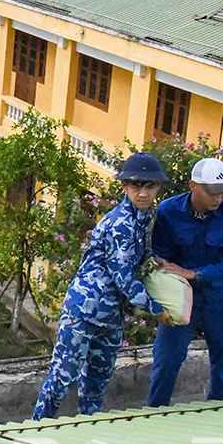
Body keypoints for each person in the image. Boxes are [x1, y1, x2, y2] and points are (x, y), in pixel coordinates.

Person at [33, 153, 174, 420]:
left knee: (97, 379)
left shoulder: (143, 217)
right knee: (63, 376)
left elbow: (137, 253)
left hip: (110, 314)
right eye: (136, 186)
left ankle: (88, 425)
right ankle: (36, 428)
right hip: (85, 309)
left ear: (157, 188)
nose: (143, 193)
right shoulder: (120, 223)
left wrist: (152, 259)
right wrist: (156, 310)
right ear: (124, 187)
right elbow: (123, 276)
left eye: (149, 186)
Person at [147, 157, 223, 407]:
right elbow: (161, 255)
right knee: (167, 358)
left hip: (221, 297)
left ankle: (221, 409)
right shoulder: (169, 211)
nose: (219, 198)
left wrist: (194, 273)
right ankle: (155, 412)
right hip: (182, 298)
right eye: (213, 192)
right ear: (194, 186)